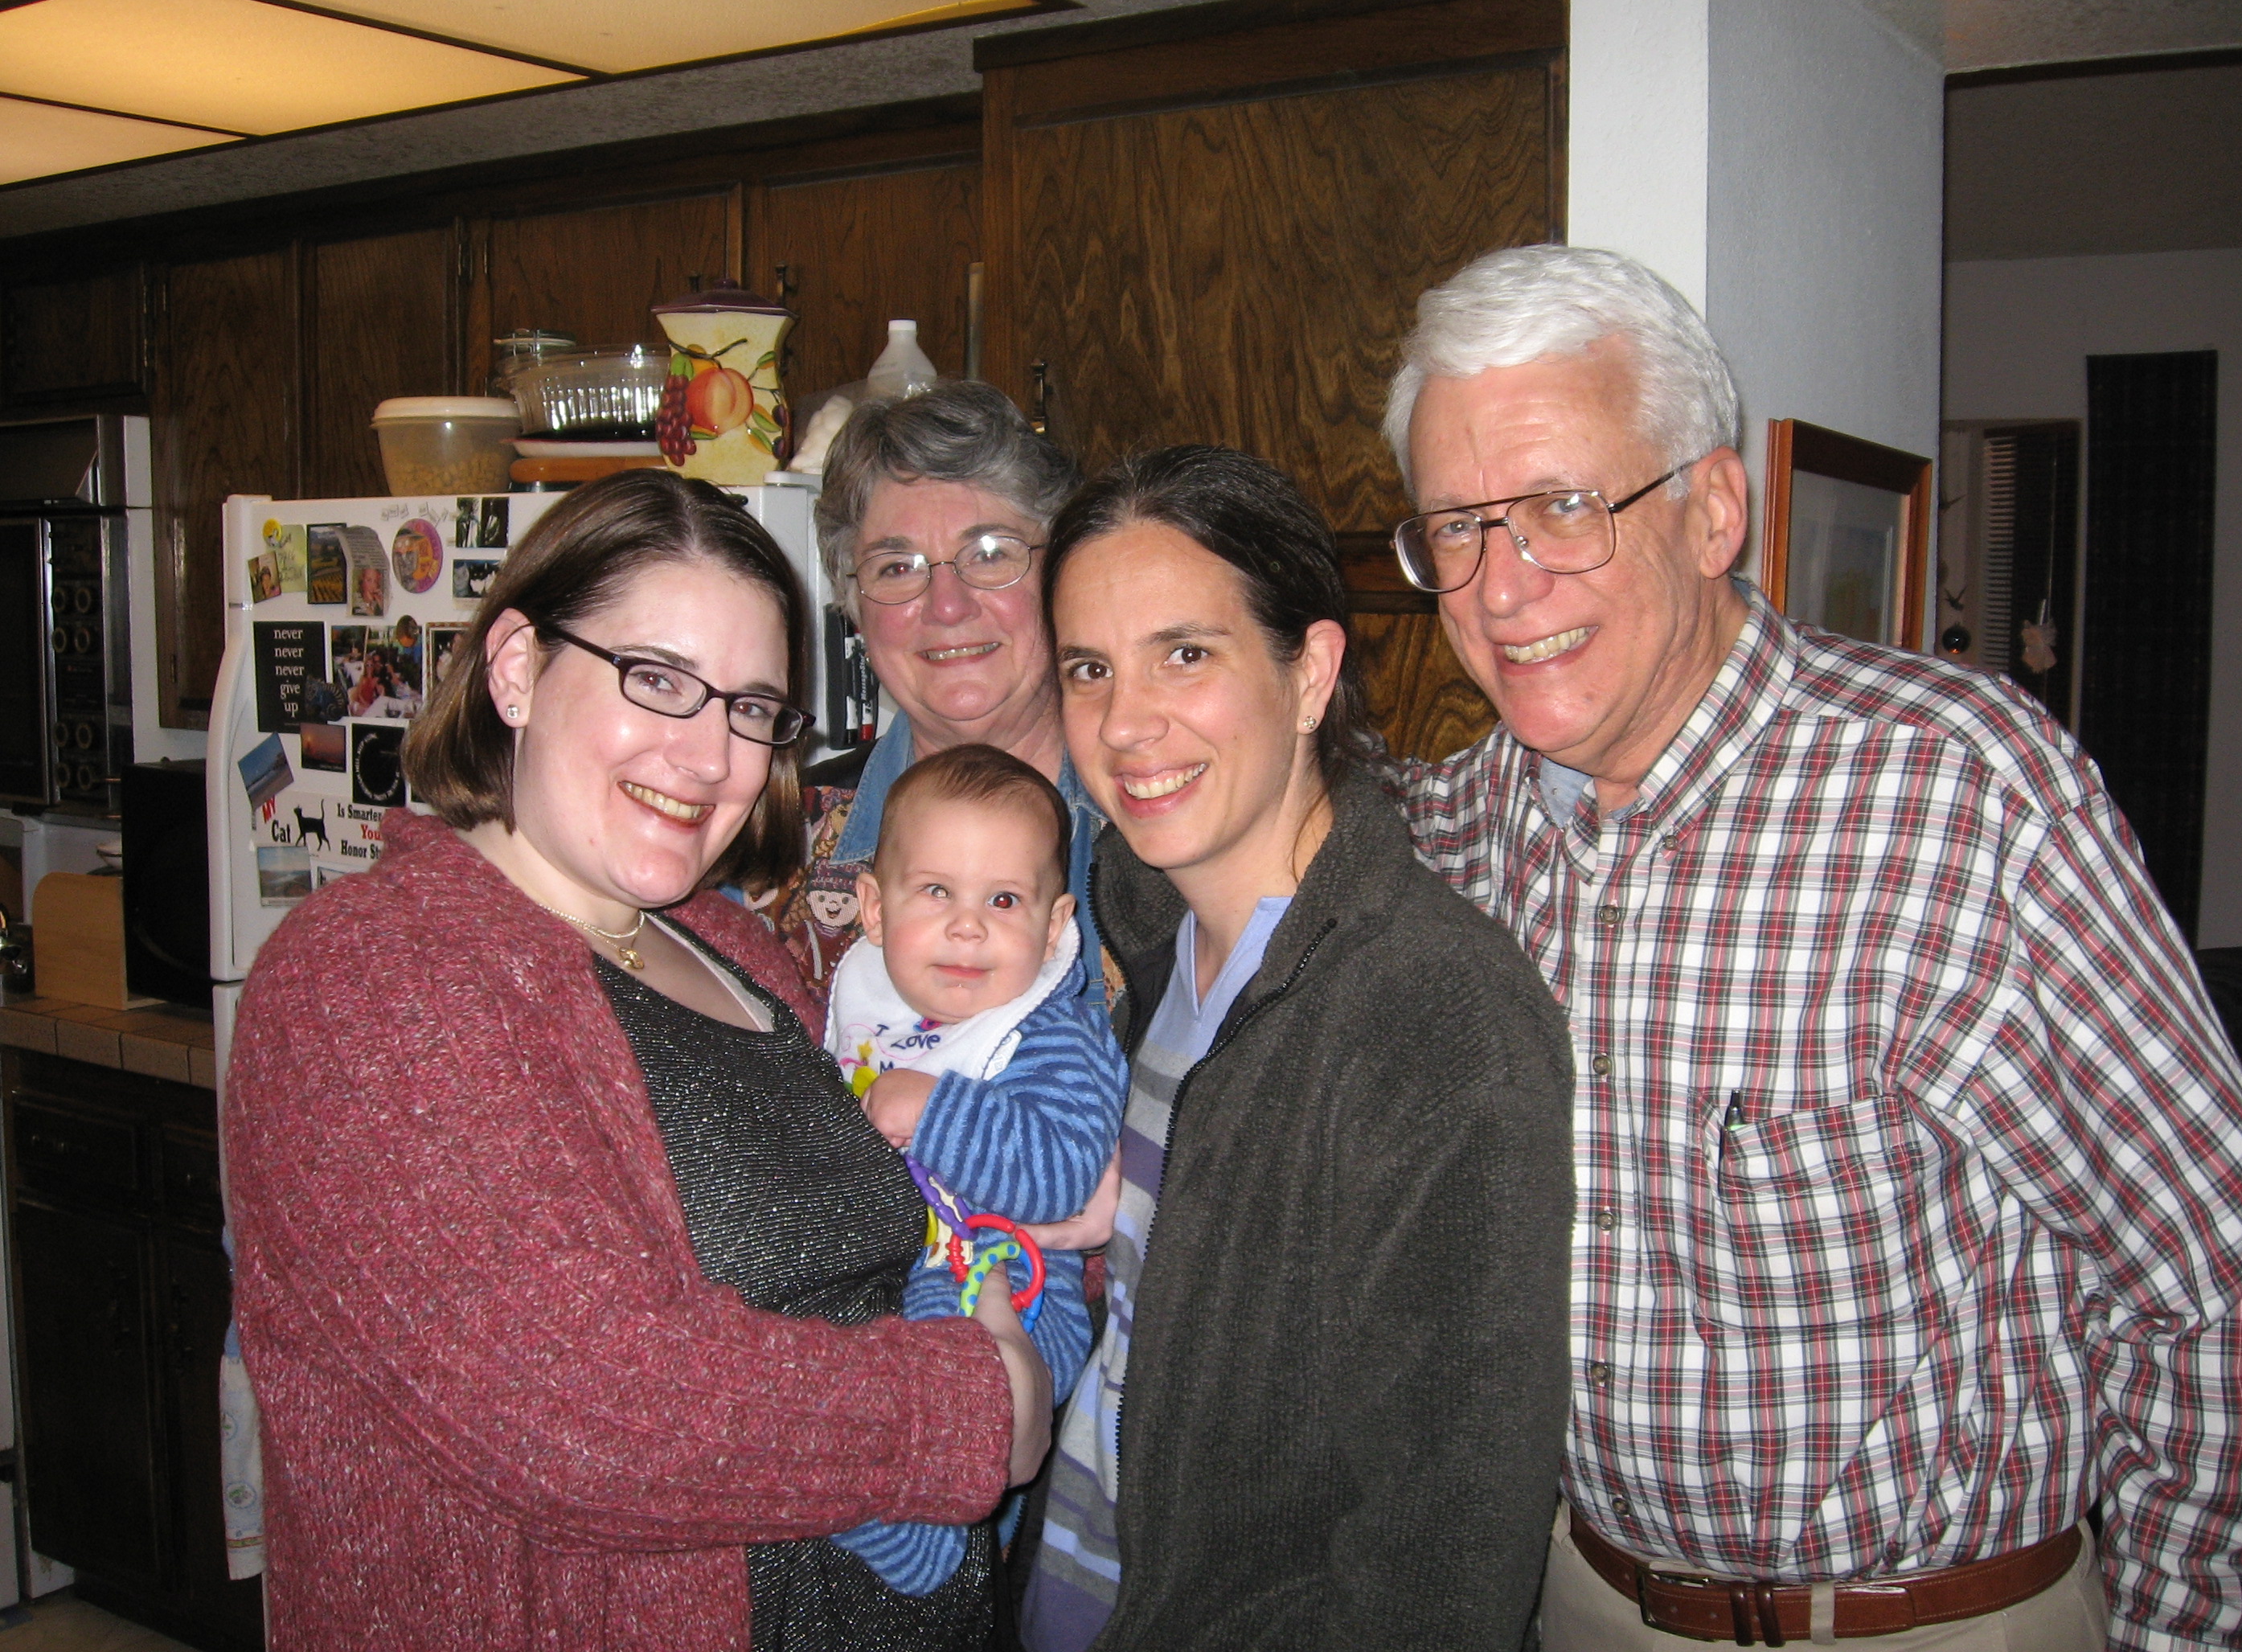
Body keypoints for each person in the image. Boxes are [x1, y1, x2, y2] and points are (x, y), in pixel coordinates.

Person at [1383, 244, 2242, 1650]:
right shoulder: (1457, 829)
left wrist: (2187, 1631)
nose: (1501, 587)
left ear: (1712, 511)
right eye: (1457, 527)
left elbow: (2212, 1275)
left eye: (1562, 506)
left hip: (1929, 1620)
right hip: (1576, 1598)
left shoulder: (1958, 791)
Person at [224, 470, 1053, 1652]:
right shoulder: (367, 982)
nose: (709, 757)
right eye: (657, 679)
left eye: (751, 707)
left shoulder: (725, 939)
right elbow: (588, 1411)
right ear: (517, 668)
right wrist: (977, 1407)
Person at [1016, 445, 1573, 1650]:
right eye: (1088, 669)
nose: (1125, 722)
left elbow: (1443, 1559)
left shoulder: (1432, 1018)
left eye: (1185, 654)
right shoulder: (1140, 938)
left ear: (1310, 672)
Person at [822, 743, 1130, 1594]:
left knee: (942, 1327)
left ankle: (922, 1540)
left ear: (1054, 925)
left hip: (1007, 1293)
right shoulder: (866, 1007)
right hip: (882, 1270)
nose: (968, 926)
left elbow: (1065, 1174)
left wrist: (932, 1109)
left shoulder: (1049, 1034)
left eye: (1003, 899)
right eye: (936, 891)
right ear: (873, 909)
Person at [759, 383, 1104, 1007]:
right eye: (897, 567)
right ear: (854, 608)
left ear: (1065, 575)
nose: (947, 606)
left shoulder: (1154, 815)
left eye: (990, 554)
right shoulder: (780, 843)